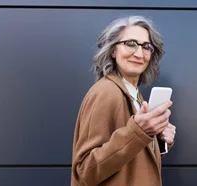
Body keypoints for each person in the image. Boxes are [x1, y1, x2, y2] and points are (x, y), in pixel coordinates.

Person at [71, 15, 176, 186]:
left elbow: (127, 155)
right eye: (131, 44)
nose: (139, 53)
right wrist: (139, 132)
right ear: (113, 50)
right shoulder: (106, 92)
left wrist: (158, 138)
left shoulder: (134, 94)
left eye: (146, 46)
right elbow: (85, 171)